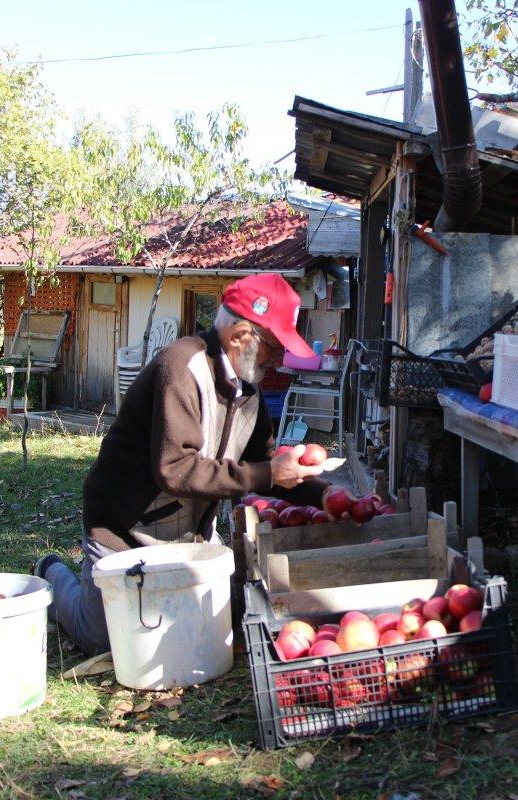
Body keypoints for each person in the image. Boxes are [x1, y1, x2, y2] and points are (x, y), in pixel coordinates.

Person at [35, 273, 331, 656]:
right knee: (102, 641)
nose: (278, 358)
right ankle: (51, 572)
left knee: (218, 624)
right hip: (124, 526)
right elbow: (175, 468)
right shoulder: (181, 368)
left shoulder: (250, 393)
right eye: (274, 346)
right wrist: (268, 472)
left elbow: (259, 465)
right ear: (241, 336)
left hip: (187, 533)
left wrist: (326, 497)